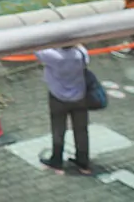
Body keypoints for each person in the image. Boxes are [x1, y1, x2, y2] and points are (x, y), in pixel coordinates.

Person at [35, 45, 92, 175]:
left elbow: (36, 49)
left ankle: (57, 161)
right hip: (79, 96)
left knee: (58, 130)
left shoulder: (53, 56)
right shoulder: (80, 53)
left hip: (58, 97)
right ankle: (83, 163)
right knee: (81, 130)